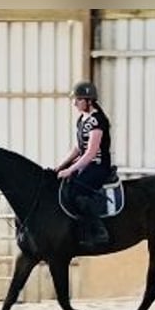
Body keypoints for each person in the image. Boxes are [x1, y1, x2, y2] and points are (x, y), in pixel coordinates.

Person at [55, 80, 112, 248]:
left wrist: (71, 169)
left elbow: (91, 152)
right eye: (74, 99)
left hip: (98, 166)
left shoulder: (97, 121)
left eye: (78, 99)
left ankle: (98, 230)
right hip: (85, 164)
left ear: (89, 100)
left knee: (77, 193)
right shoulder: (82, 119)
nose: (75, 103)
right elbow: (79, 148)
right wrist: (62, 166)